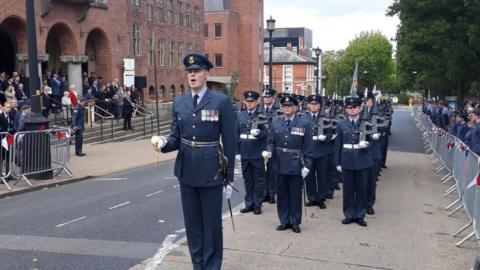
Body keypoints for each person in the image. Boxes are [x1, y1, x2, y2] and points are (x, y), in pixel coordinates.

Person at [157, 53, 236, 270]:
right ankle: (198, 265)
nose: (192, 75)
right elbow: (176, 137)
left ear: (206, 74)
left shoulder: (220, 101)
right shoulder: (179, 102)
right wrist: (163, 143)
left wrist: (229, 177)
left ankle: (211, 266)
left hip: (211, 170)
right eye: (189, 72)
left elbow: (230, 141)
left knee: (211, 226)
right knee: (192, 225)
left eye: (197, 71)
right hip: (186, 170)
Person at [264, 95, 313, 233]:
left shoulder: (304, 123)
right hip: (279, 163)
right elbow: (271, 141)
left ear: (296, 107)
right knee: (282, 194)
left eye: (290, 106)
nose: (287, 108)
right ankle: (284, 220)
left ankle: (295, 221)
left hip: (296, 163)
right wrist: (269, 152)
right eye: (284, 106)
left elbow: (308, 147)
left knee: (295, 194)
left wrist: (307, 166)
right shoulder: (276, 122)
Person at [335, 95, 373, 227]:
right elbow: (337, 145)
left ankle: (360, 215)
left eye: (354, 107)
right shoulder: (341, 124)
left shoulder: (366, 123)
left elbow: (374, 140)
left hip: (363, 159)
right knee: (348, 190)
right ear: (345, 109)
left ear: (360, 108)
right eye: (349, 108)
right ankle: (349, 214)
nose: (352, 110)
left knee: (361, 189)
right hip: (347, 159)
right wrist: (338, 162)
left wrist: (367, 143)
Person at [236, 90, 267, 215]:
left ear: (256, 102)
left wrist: (259, 134)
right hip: (244, 152)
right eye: (247, 101)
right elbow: (235, 134)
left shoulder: (262, 116)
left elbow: (267, 134)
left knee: (259, 180)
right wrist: (237, 152)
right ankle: (249, 203)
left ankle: (257, 204)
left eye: (251, 101)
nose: (249, 104)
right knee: (247, 179)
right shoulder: (240, 115)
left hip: (257, 152)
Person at [303, 94, 330, 209]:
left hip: (321, 150)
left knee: (322, 176)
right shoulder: (304, 117)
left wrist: (325, 137)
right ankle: (312, 197)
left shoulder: (325, 117)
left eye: (316, 104)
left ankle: (321, 198)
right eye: (311, 104)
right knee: (309, 176)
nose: (313, 106)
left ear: (320, 106)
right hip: (308, 151)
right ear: (308, 105)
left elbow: (330, 132)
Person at [257, 88, 278, 203]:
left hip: (273, 143)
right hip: (261, 143)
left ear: (273, 98)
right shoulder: (259, 111)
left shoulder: (277, 110)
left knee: (272, 170)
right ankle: (264, 193)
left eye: (269, 97)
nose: (266, 99)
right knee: (262, 171)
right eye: (265, 97)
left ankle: (272, 194)